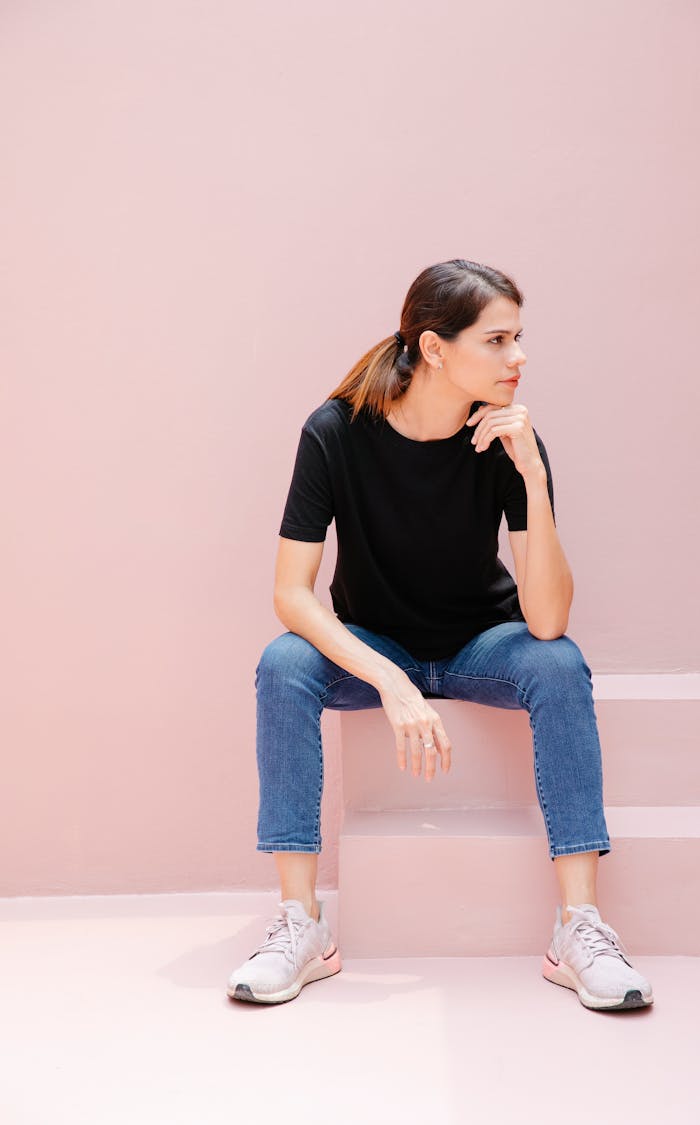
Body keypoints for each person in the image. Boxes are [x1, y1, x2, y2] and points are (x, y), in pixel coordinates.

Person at [227, 258, 654, 1011]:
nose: (518, 358)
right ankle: (301, 923)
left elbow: (547, 618)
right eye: (497, 340)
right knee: (282, 663)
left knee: (560, 663)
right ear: (434, 348)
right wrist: (390, 681)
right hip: (375, 645)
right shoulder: (335, 433)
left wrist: (534, 479)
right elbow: (290, 595)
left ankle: (578, 926)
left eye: (518, 339)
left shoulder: (507, 439)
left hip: (478, 646)